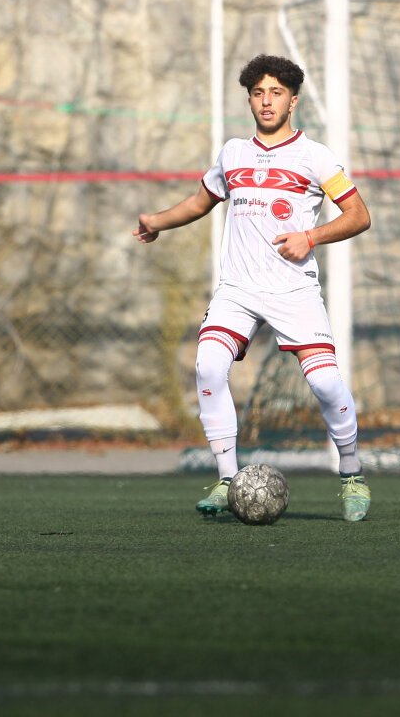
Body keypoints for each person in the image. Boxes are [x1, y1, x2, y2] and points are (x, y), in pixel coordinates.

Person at [133, 54, 372, 522]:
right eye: (258, 93)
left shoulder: (315, 156)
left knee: (325, 383)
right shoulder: (233, 153)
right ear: (249, 99)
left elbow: (359, 216)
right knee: (208, 366)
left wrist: (311, 237)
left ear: (293, 101)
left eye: (276, 93)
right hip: (238, 289)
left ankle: (351, 473)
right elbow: (200, 202)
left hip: (293, 291)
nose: (266, 101)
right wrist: (157, 221)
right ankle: (227, 479)